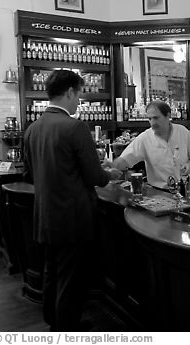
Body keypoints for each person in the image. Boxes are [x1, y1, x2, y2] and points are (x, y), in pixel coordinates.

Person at [23, 70, 122, 331]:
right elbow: (93, 175)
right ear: (69, 92)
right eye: (79, 94)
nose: (79, 100)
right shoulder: (75, 126)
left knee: (51, 270)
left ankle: (52, 319)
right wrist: (109, 173)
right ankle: (66, 329)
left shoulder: (32, 128)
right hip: (72, 217)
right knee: (71, 277)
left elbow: (29, 173)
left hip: (45, 214)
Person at [109, 100, 190, 188]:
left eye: (156, 118)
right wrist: (111, 167)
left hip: (185, 189)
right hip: (159, 193)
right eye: (150, 119)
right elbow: (125, 160)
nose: (152, 122)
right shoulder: (145, 138)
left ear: (168, 116)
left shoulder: (182, 131)